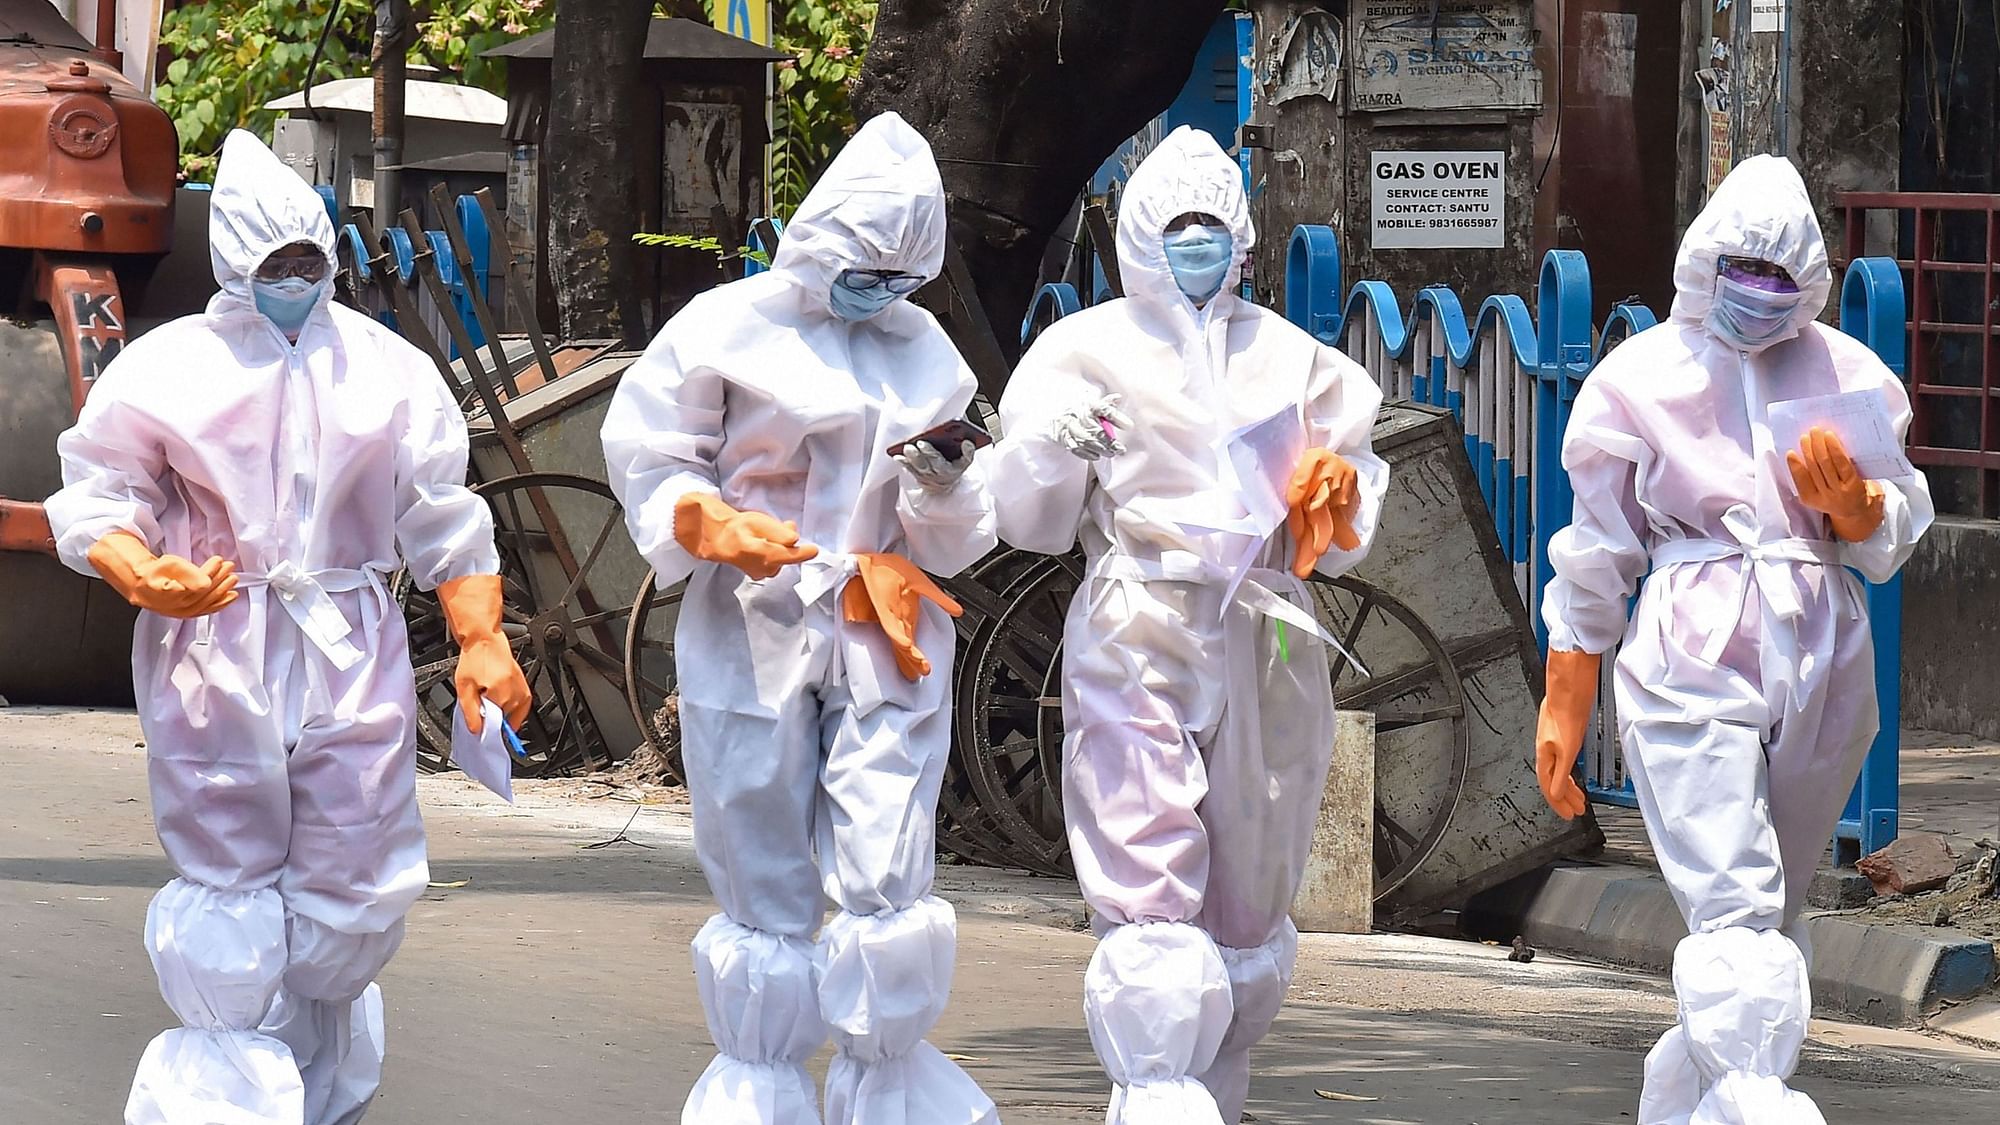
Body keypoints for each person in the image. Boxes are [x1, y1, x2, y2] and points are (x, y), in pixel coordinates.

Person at [44, 130, 529, 1125]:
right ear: (233, 262)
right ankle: (220, 1102)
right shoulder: (169, 368)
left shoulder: (389, 372)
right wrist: (141, 569)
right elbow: (100, 491)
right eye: (275, 265)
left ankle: (313, 1092)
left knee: (357, 873)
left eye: (308, 261)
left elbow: (442, 512)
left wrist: (482, 635)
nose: (295, 280)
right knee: (228, 865)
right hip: (217, 637)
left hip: (348, 640)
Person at [980, 126, 1388, 1124]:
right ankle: (1155, 1089)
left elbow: (1338, 536)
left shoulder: (1298, 363)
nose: (1196, 243)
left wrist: (1333, 501)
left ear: (1243, 234)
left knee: (1255, 865)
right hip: (1138, 616)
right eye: (1176, 226)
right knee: (1143, 850)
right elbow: (1025, 518)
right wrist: (1042, 446)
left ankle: (1213, 1082)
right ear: (1137, 238)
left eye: (1211, 224)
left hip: (1268, 626)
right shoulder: (1081, 350)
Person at [600, 111, 1000, 1125]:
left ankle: (887, 1086)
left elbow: (952, 529)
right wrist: (704, 522)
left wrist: (944, 488)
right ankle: (761, 1087)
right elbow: (653, 452)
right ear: (819, 239)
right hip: (753, 614)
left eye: (901, 275)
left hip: (881, 613)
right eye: (867, 268)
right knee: (755, 838)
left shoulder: (925, 350)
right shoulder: (722, 326)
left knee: (886, 849)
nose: (882, 292)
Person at [1533, 154, 1934, 1123]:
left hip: (1821, 653)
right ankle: (1755, 1100)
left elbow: (1894, 532)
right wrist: (1566, 684)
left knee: (1767, 909)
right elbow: (1596, 547)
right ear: (1700, 264)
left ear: (1806, 283)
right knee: (1736, 908)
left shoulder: (1848, 373)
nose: (1755, 295)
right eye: (1737, 271)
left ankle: (1688, 1096)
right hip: (1687, 644)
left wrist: (1857, 508)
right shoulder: (1638, 380)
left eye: (1776, 277)